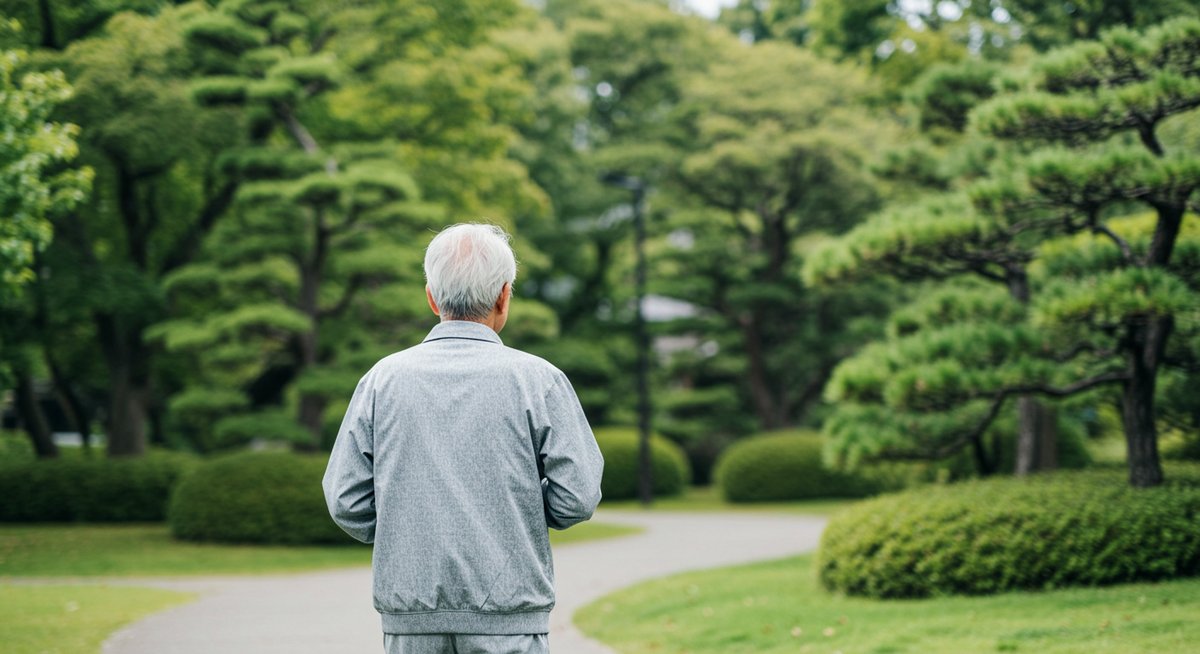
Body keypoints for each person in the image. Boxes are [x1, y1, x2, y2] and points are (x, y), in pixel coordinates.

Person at [323, 223, 604, 654]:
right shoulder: (538, 380)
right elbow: (578, 496)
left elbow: (346, 500)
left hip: (409, 617)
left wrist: (410, 529)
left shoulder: (382, 380)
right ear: (504, 296)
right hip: (511, 616)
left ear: (431, 297)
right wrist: (516, 515)